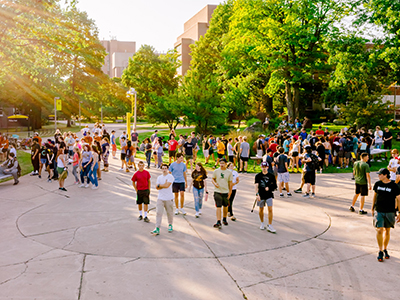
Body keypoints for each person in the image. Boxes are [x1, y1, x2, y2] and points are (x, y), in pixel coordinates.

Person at [371, 168, 400, 262]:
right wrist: (372, 208)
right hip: (379, 210)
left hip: (390, 211)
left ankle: (385, 248)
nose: (378, 176)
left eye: (380, 174)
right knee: (379, 230)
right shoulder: (377, 184)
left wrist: (399, 212)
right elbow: (375, 196)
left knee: (387, 230)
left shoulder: (393, 186)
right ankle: (380, 250)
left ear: (385, 175)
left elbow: (398, 199)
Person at [151, 163, 175, 235]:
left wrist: (160, 185)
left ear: (167, 169)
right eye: (163, 168)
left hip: (168, 198)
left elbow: (167, 185)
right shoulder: (159, 177)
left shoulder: (170, 176)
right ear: (161, 169)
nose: (164, 170)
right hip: (160, 198)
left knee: (169, 213)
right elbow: (156, 187)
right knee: (158, 213)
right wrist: (162, 185)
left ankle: (170, 224)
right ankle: (157, 228)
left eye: (165, 168)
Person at [255, 161, 277, 232]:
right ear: (261, 167)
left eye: (265, 167)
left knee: (270, 209)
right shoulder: (258, 176)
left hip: (269, 195)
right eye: (263, 167)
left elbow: (275, 186)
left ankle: (270, 224)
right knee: (261, 209)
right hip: (261, 195)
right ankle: (262, 223)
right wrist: (257, 194)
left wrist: (269, 188)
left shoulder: (271, 176)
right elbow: (256, 186)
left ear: (267, 167)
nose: (264, 168)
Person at [211, 158, 233, 229]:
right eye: (220, 163)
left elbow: (230, 183)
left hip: (225, 191)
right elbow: (213, 179)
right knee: (218, 206)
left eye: (223, 163)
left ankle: (224, 218)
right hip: (217, 191)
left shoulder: (229, 172)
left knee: (225, 206)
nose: (221, 165)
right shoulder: (216, 171)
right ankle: (218, 221)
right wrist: (215, 184)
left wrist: (230, 192)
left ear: (226, 164)